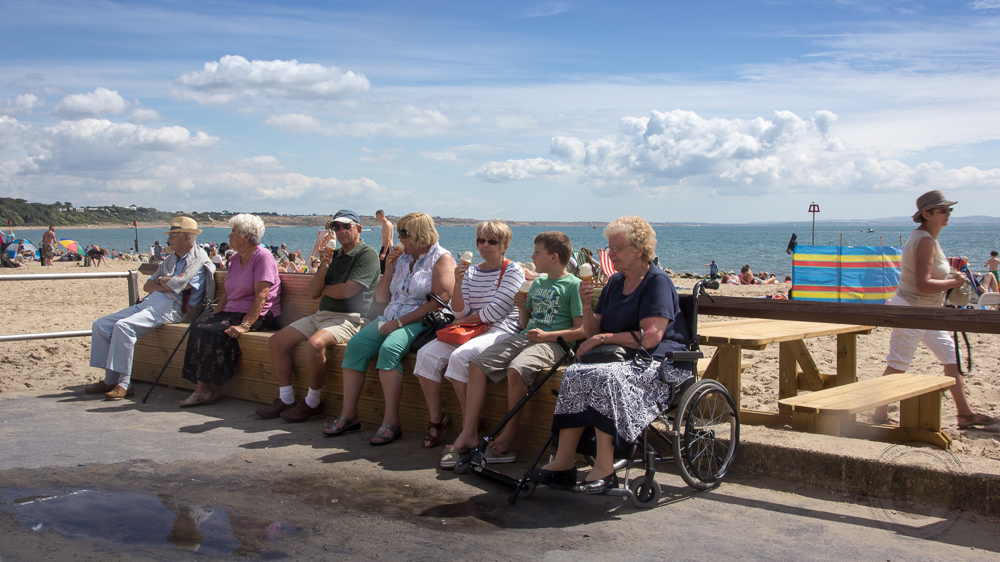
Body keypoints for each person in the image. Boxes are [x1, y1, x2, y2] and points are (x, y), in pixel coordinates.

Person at [529, 216, 692, 493]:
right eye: (609, 247)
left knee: (606, 377)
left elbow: (651, 336)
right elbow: (592, 329)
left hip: (661, 364)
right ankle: (564, 462)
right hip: (620, 358)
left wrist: (602, 339)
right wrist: (585, 302)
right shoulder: (616, 282)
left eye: (616, 248)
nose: (610, 253)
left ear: (639, 249)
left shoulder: (657, 282)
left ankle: (605, 466)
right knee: (575, 373)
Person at [442, 231, 584, 467]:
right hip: (527, 336)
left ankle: (510, 432)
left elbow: (581, 330)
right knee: (476, 364)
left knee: (517, 370)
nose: (532, 256)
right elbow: (527, 323)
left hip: (554, 344)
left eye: (537, 253)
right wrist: (521, 308)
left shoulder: (573, 286)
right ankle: (469, 431)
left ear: (553, 257)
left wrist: (547, 335)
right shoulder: (537, 282)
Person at [324, 212, 455, 445]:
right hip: (391, 314)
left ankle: (392, 422)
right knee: (355, 347)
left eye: (404, 233)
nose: (399, 238)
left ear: (419, 235)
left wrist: (400, 323)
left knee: (389, 349)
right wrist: (390, 267)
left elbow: (438, 301)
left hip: (422, 319)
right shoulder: (402, 257)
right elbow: (383, 297)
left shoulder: (441, 258)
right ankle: (349, 415)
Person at [873, 191, 995, 429]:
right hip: (913, 309)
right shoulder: (925, 241)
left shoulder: (927, 238)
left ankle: (964, 413)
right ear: (926, 214)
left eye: (949, 209)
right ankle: (878, 414)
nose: (948, 213)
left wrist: (949, 280)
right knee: (898, 363)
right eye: (943, 210)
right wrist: (954, 282)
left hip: (926, 311)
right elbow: (922, 284)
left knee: (950, 356)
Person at [256, 209, 380, 423]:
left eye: (345, 226)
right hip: (322, 315)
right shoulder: (334, 255)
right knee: (277, 342)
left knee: (314, 345)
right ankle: (286, 398)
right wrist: (324, 267)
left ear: (358, 229)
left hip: (350, 318)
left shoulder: (366, 254)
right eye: (335, 227)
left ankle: (312, 402)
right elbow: (312, 293)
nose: (340, 231)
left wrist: (324, 289)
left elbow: (346, 292)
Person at [413, 220, 524, 449]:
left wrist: (461, 320)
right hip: (471, 329)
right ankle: (439, 419)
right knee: (426, 355)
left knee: (461, 357)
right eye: (480, 241)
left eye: (492, 241)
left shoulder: (513, 271)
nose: (485, 246)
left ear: (504, 244)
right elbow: (458, 310)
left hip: (501, 329)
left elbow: (494, 312)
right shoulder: (471, 271)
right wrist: (458, 283)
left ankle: (469, 429)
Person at [85, 217, 215, 400]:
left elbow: (181, 284)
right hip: (153, 301)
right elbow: (148, 285)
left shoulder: (198, 258)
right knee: (100, 325)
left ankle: (124, 383)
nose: (169, 240)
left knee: (124, 327)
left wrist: (162, 281)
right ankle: (109, 378)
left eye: (173, 236)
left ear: (187, 237)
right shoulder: (171, 259)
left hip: (171, 307)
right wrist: (166, 282)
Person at [178, 214, 282, 407]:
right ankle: (207, 389)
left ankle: (205, 391)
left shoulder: (263, 257)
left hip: (259, 315)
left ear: (246, 236)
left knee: (213, 331)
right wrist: (215, 315)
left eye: (233, 232)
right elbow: (227, 294)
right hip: (233, 312)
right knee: (199, 326)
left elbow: (262, 296)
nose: (229, 236)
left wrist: (244, 325)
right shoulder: (234, 259)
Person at [376, 209, 394, 274]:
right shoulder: (384, 224)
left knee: (385, 269)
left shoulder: (387, 224)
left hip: (388, 248)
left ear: (379, 215)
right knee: (381, 267)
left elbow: (388, 239)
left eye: (377, 217)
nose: (376, 219)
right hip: (385, 248)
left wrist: (384, 253)